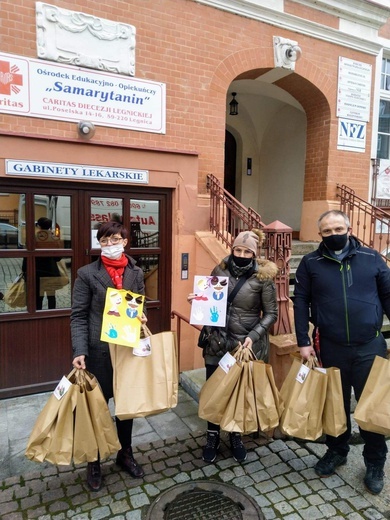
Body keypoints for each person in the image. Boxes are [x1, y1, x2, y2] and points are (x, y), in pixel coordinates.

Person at [293, 210, 390, 495]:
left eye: (338, 228)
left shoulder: (372, 259)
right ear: (320, 234)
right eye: (327, 231)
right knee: (335, 404)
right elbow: (300, 301)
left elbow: (387, 296)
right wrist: (302, 341)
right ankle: (337, 450)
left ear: (348, 228)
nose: (333, 234)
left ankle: (375, 462)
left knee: (370, 407)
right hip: (330, 346)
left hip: (369, 346)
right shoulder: (311, 262)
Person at [188, 229, 278, 464]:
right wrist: (197, 299)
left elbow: (271, 314)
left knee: (237, 392)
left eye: (247, 251)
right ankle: (212, 436)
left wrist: (254, 336)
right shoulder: (220, 270)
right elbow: (209, 299)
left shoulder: (263, 278)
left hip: (243, 344)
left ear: (254, 254)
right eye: (238, 249)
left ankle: (236, 435)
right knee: (214, 389)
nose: (241, 254)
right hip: (217, 341)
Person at [71, 221, 146, 492]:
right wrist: (80, 351)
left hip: (126, 351)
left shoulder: (135, 271)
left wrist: (140, 317)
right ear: (98, 244)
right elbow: (78, 315)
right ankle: (94, 459)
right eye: (104, 241)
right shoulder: (87, 273)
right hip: (99, 353)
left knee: (125, 407)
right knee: (97, 409)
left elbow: (138, 303)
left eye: (115, 240)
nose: (110, 245)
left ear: (125, 242)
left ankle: (125, 452)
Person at [23, 217, 61, 310]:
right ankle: (52, 315)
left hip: (37, 272)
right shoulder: (54, 239)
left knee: (38, 298)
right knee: (51, 297)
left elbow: (26, 257)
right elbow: (58, 258)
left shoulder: (32, 238)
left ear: (38, 226)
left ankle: (39, 315)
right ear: (49, 227)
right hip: (51, 272)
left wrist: (25, 270)